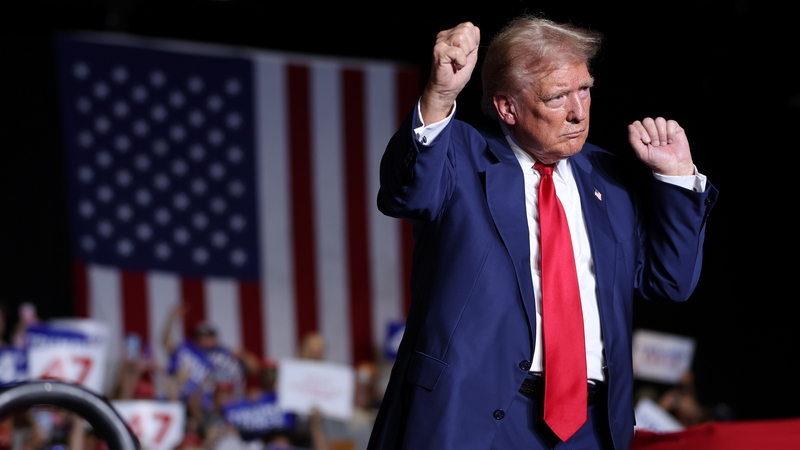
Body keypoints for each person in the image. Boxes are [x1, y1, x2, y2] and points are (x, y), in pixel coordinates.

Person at [368, 15, 718, 450]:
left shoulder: (608, 177)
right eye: (557, 96)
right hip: (476, 419)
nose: (578, 111)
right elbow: (405, 194)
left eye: (585, 89)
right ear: (507, 107)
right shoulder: (461, 155)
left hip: (592, 427)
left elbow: (671, 282)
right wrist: (439, 96)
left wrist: (677, 178)